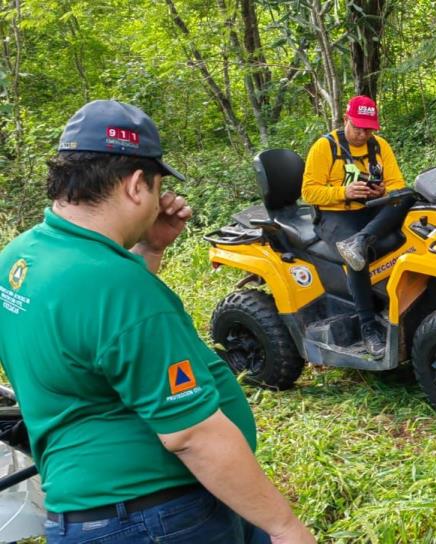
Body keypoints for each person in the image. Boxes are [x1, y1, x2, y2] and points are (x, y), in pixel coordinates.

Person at [0, 100, 315, 544]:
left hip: (80, 515)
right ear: (134, 185)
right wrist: (285, 528)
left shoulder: (20, 257)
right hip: (153, 519)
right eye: (156, 186)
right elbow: (192, 434)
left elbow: (99, 338)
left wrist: (149, 251)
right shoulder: (116, 286)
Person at [302, 95, 409, 358]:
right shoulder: (325, 147)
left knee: (408, 197)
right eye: (358, 127)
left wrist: (383, 190)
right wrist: (344, 192)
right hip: (334, 216)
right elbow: (309, 192)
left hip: (370, 212)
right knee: (356, 260)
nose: (362, 134)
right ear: (346, 119)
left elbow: (398, 184)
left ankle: (362, 240)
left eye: (368, 128)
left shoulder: (380, 146)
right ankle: (368, 327)